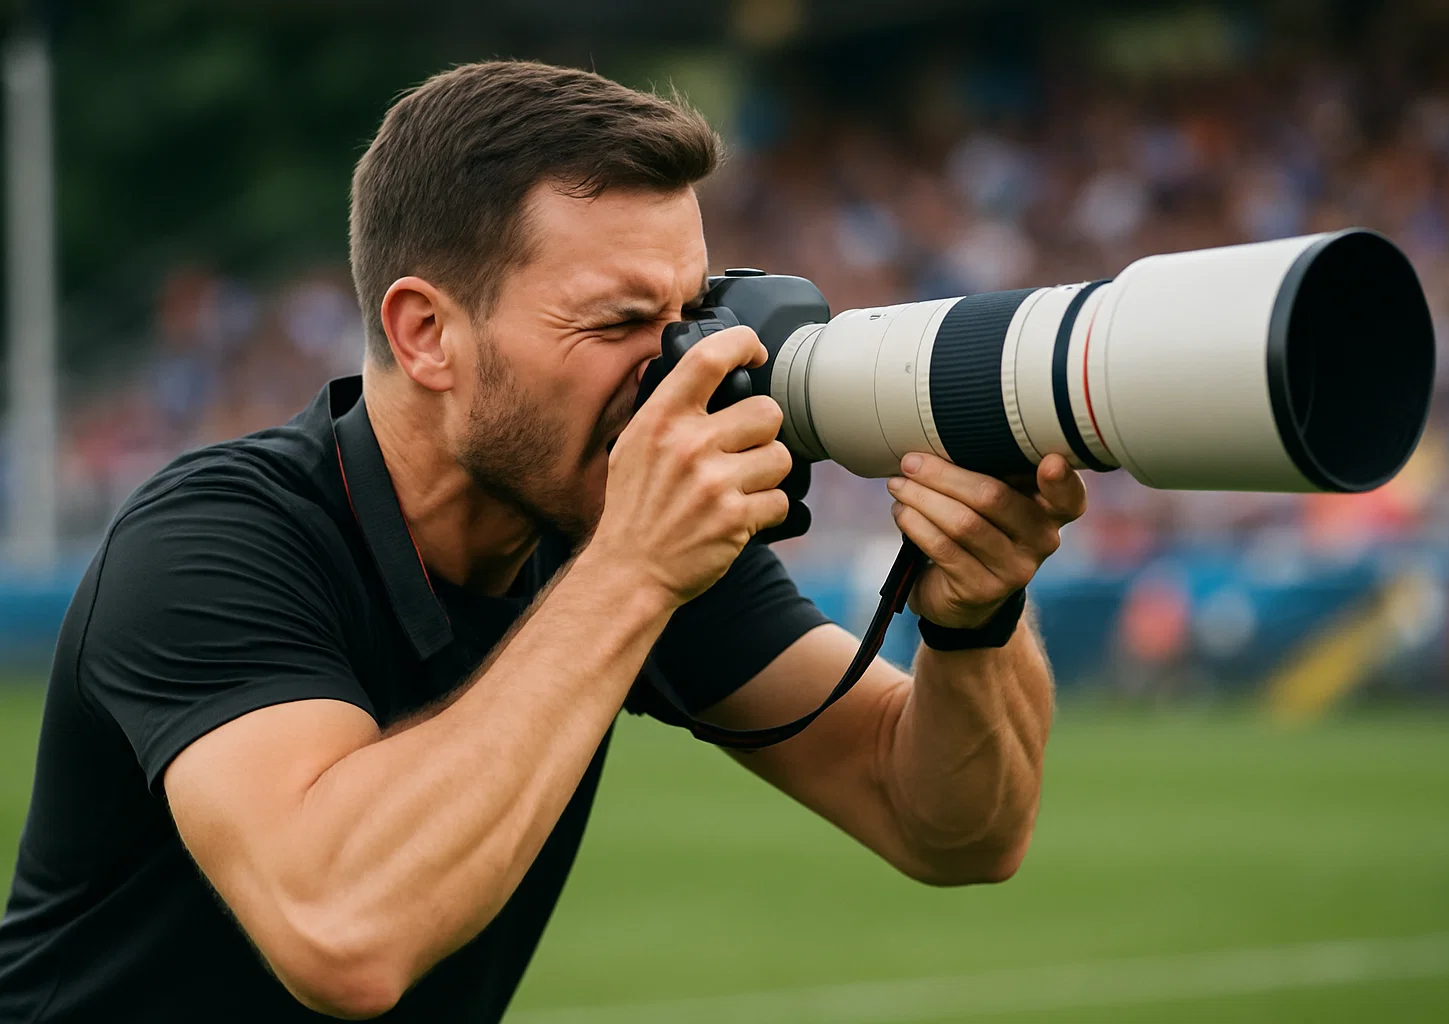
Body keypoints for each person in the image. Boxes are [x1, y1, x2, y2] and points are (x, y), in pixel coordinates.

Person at [0, 60, 1085, 1022]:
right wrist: (631, 571)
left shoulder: (609, 516)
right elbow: (343, 932)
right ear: (426, 333)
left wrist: (975, 621)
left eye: (686, 317)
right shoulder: (213, 540)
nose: (670, 371)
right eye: (615, 326)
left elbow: (951, 828)